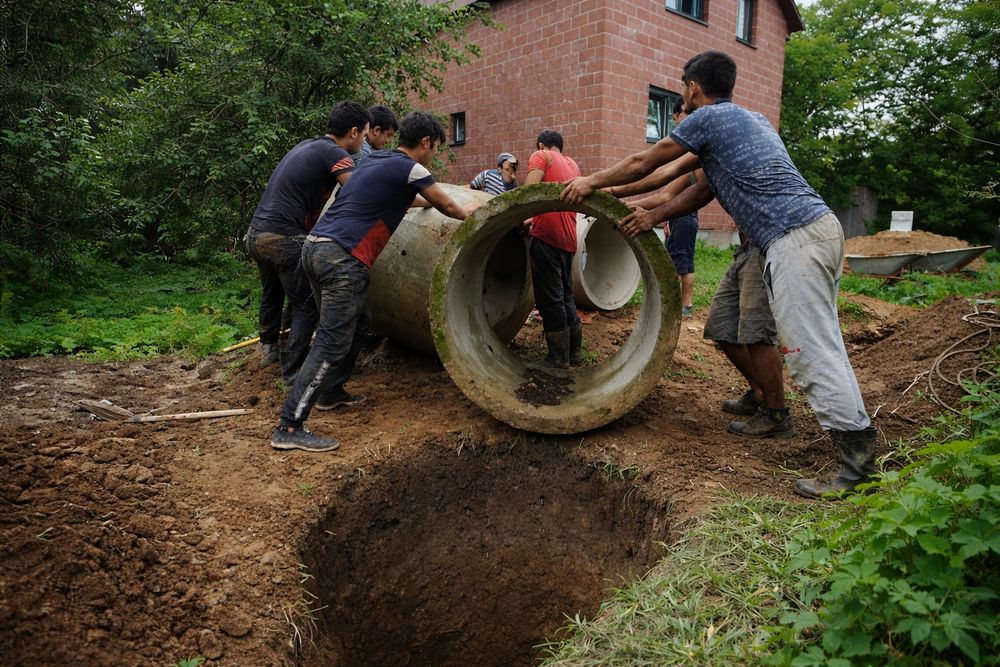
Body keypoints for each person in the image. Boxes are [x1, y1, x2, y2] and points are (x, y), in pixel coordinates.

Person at [562, 50, 874, 499]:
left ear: (692, 86)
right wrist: (631, 203)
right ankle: (775, 408)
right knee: (736, 326)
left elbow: (644, 163)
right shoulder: (749, 123)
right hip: (800, 234)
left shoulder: (709, 120)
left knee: (810, 348)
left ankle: (857, 465)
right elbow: (685, 187)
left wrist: (591, 182)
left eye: (682, 85)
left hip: (796, 236)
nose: (682, 93)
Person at [270, 112, 479, 452]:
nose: (433, 155)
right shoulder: (413, 169)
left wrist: (425, 203)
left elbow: (402, 199)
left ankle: (331, 392)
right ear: (425, 142)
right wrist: (474, 212)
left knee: (360, 321)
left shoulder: (372, 162)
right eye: (435, 148)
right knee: (331, 341)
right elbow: (449, 206)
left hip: (315, 249)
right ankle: (289, 426)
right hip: (343, 259)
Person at [246, 101, 371, 379]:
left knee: (273, 294)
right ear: (352, 132)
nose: (364, 142)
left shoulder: (308, 145)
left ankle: (269, 351)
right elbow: (357, 191)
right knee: (306, 305)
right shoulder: (335, 153)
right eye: (364, 135)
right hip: (283, 238)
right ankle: (294, 373)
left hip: (256, 234)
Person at [705, 234, 792, 439]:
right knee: (721, 327)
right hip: (745, 251)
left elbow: (689, 199)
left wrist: (652, 216)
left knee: (758, 334)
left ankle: (777, 415)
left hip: (764, 249)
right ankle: (759, 393)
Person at [522, 130, 583, 368]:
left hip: (547, 238)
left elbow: (528, 194)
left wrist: (519, 220)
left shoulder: (541, 156)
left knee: (550, 299)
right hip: (568, 239)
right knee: (566, 295)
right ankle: (574, 353)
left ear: (541, 144)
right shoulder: (573, 165)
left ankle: (557, 358)